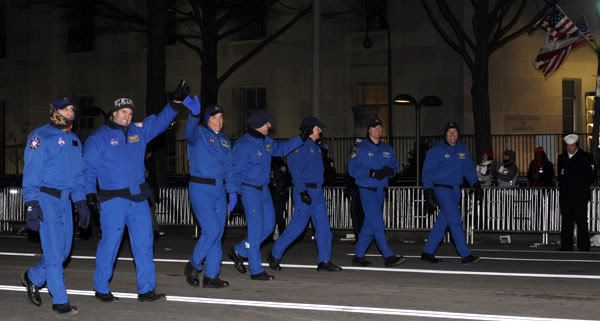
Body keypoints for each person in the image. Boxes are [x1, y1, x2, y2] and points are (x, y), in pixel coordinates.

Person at [83, 81, 191, 302]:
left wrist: (175, 102)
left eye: (130, 113)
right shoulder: (98, 138)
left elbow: (160, 121)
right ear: (114, 113)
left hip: (139, 199)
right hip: (113, 200)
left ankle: (146, 289)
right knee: (110, 244)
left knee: (144, 244)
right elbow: (88, 169)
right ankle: (101, 287)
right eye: (123, 112)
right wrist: (89, 194)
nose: (127, 116)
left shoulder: (138, 132)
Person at [21, 97, 90, 315]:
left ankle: (32, 276)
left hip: (66, 200)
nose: (72, 112)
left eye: (73, 109)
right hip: (45, 198)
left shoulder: (75, 140)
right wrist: (31, 203)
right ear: (55, 111)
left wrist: (81, 201)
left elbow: (79, 175)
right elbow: (32, 171)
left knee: (63, 251)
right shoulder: (40, 136)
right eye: (67, 108)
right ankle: (60, 301)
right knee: (53, 252)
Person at [228, 111, 311, 281]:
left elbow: (281, 149)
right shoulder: (243, 145)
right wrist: (234, 194)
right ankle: (256, 270)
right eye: (267, 123)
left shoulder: (266, 141)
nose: (270, 126)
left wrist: (300, 138)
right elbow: (233, 171)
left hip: (264, 189)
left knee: (268, 227)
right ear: (259, 124)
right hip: (249, 189)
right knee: (255, 229)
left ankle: (239, 250)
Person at [268, 117, 342, 272]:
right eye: (317, 128)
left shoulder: (315, 147)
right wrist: (301, 191)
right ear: (310, 129)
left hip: (317, 192)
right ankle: (274, 254)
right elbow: (295, 170)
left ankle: (324, 261)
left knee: (323, 228)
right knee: (297, 228)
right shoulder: (300, 146)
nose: (320, 131)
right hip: (305, 192)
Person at [183, 102, 236, 288]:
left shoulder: (225, 141)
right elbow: (188, 131)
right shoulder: (199, 134)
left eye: (221, 118)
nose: (219, 121)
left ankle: (211, 276)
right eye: (214, 118)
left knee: (218, 233)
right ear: (207, 120)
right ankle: (193, 264)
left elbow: (230, 168)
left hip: (220, 191)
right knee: (212, 229)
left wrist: (232, 192)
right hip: (201, 188)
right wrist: (194, 114)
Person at [348, 118, 405, 268]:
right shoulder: (359, 148)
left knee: (370, 224)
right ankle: (388, 256)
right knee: (378, 223)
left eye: (380, 127)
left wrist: (390, 171)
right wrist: (371, 173)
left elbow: (395, 166)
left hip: (380, 190)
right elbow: (352, 169)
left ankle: (358, 255)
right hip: (367, 190)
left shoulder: (387, 148)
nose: (378, 130)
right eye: (374, 127)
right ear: (369, 130)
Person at [421, 122, 480, 265]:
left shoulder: (462, 149)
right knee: (455, 221)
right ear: (445, 134)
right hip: (442, 189)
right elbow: (427, 171)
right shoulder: (436, 150)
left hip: (455, 190)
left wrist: (476, 183)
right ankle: (465, 254)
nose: (452, 134)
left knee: (443, 222)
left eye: (455, 131)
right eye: (449, 132)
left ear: (458, 134)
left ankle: (428, 252)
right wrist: (428, 190)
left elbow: (468, 168)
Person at [557, 134, 595, 252]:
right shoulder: (562, 157)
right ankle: (566, 246)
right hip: (566, 196)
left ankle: (583, 246)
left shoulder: (586, 157)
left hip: (580, 195)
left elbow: (591, 175)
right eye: (568, 146)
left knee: (581, 222)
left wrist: (582, 185)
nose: (570, 148)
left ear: (576, 145)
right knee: (566, 222)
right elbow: (561, 175)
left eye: (572, 146)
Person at [269, 156, 292, 237]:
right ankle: (280, 235)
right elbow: (288, 179)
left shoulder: (269, 163)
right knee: (278, 216)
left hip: (274, 194)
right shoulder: (281, 164)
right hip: (279, 194)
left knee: (275, 216)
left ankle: (275, 235)